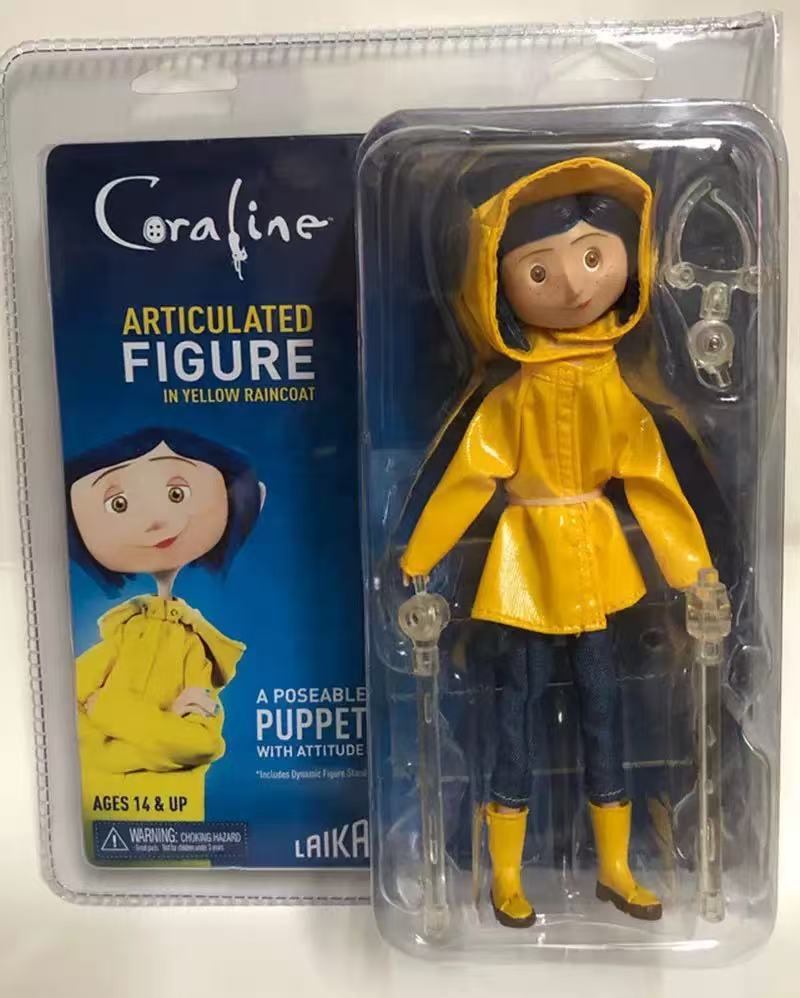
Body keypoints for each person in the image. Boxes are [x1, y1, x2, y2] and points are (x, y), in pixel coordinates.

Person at [400, 157, 713, 925]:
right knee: (515, 711)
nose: (572, 286)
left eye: (593, 257)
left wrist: (694, 572)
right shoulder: (511, 399)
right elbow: (469, 477)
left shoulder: (617, 393)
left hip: (597, 560)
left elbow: (653, 483)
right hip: (524, 563)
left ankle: (615, 866)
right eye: (539, 270)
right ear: (497, 286)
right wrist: (417, 561)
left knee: (605, 709)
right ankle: (505, 875)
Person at [66, 427, 264, 846]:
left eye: (177, 493)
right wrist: (161, 736)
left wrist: (111, 713)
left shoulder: (194, 646)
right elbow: (67, 716)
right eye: (118, 504)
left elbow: (201, 743)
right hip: (101, 824)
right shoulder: (121, 635)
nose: (154, 521)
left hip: (180, 837)